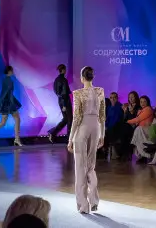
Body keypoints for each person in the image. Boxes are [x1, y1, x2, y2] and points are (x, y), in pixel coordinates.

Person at [66, 66, 105, 213]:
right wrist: (102, 135)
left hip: (82, 128)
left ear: (82, 78)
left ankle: (83, 205)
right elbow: (102, 116)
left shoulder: (78, 93)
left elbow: (76, 117)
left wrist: (70, 139)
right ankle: (94, 200)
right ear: (92, 77)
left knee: (80, 167)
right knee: (90, 166)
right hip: (96, 128)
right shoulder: (100, 91)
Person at [0, 66, 23, 147]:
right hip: (9, 103)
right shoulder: (8, 80)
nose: (13, 72)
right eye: (12, 70)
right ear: (9, 71)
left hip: (7, 102)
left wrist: (1, 102)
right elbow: (7, 93)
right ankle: (17, 139)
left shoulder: (5, 79)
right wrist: (11, 103)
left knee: (4, 122)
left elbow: (5, 93)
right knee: (15, 120)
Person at [47, 64, 72, 143]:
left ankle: (53, 132)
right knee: (70, 119)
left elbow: (56, 91)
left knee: (66, 119)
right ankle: (69, 139)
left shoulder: (56, 80)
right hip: (65, 102)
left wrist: (62, 102)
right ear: (63, 70)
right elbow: (64, 93)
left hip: (60, 101)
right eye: (65, 69)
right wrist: (64, 104)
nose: (66, 71)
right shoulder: (64, 80)